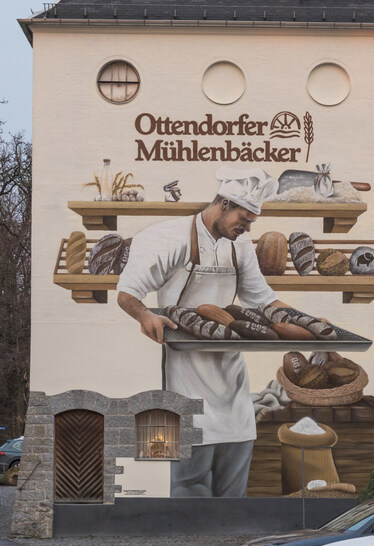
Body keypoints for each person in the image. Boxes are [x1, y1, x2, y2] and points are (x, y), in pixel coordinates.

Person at [116, 166, 290, 497]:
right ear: (223, 204)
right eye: (244, 218)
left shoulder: (240, 246)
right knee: (189, 488)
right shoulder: (167, 237)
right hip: (186, 379)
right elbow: (127, 293)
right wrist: (145, 316)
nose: (247, 227)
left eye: (252, 222)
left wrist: (300, 320)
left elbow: (262, 297)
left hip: (232, 380)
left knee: (232, 491)